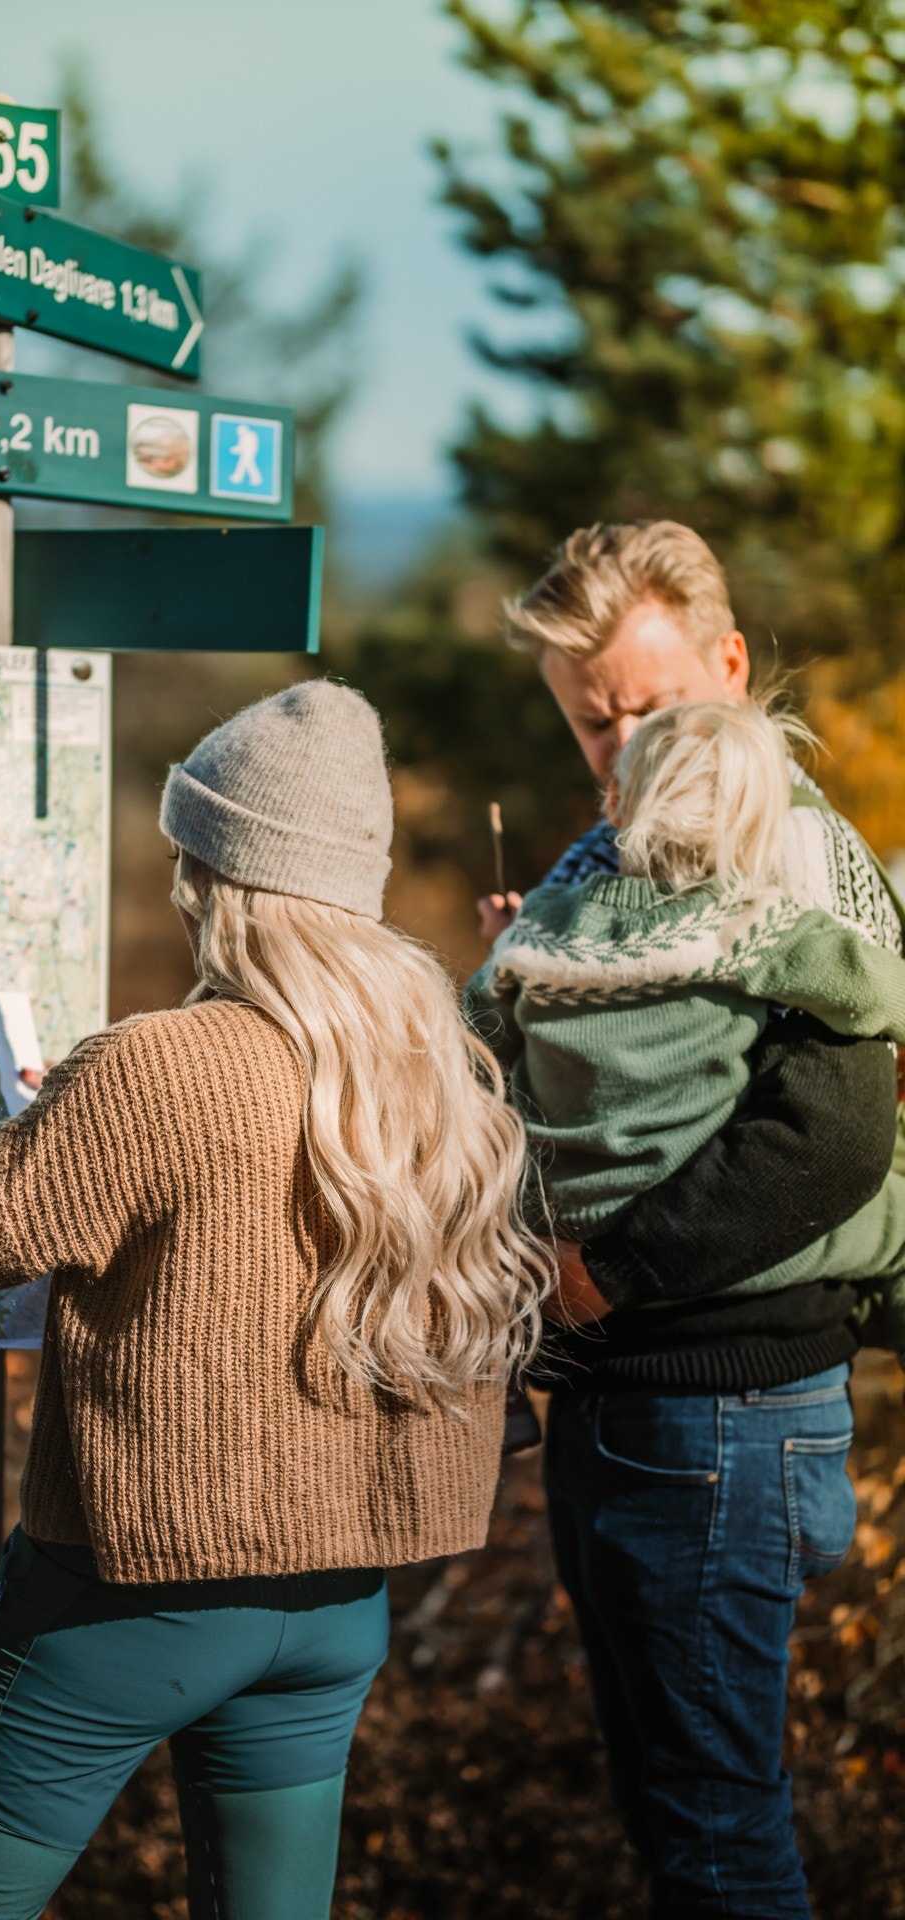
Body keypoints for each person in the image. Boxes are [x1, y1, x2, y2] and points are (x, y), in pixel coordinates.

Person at [0, 680, 551, 1920]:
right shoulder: (435, 1057)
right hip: (341, 1602)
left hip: (124, 1603)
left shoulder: (158, 1067)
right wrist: (70, 1116)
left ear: (217, 876)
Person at [479, 521, 903, 1918]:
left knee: (717, 1838)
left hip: (718, 1395)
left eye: (652, 710)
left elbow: (832, 1135)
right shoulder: (606, 857)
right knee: (678, 1811)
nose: (625, 748)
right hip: (625, 1398)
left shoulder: (786, 850)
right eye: (594, 726)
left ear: (730, 665)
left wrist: (605, 1274)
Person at [471, 696, 905, 1346]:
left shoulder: (540, 924)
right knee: (891, 1225)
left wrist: (505, 945)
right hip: (679, 1219)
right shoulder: (751, 925)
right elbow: (867, 982)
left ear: (614, 802)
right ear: (765, 828)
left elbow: (470, 1039)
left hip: (555, 1221)